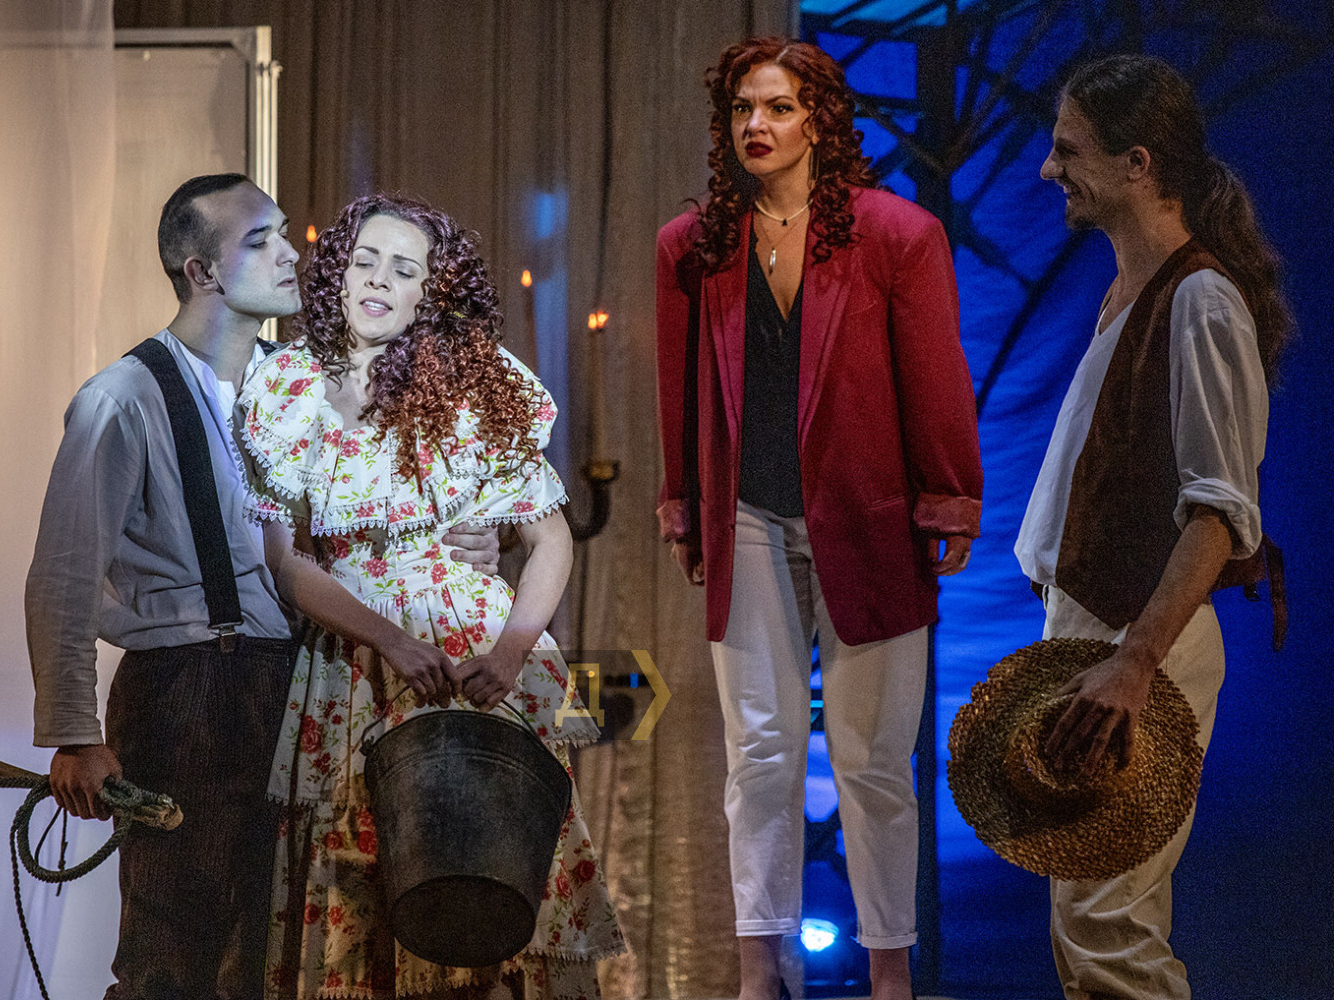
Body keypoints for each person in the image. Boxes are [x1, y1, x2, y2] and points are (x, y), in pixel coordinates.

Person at [26, 173, 498, 999]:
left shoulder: (310, 387)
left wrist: (468, 539)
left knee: (278, 958)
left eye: (284, 233)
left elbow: (375, 520)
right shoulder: (123, 398)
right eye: (261, 240)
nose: (291, 254)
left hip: (304, 685)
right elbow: (64, 577)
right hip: (186, 693)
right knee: (171, 957)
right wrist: (74, 732)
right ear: (201, 271)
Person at [653, 38, 983, 1000]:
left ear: (819, 121)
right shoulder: (694, 244)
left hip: (867, 519)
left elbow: (933, 374)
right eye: (741, 109)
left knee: (872, 761)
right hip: (747, 514)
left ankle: (890, 975)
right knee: (757, 752)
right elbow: (679, 388)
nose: (755, 125)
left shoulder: (896, 234)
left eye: (778, 107)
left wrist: (949, 496)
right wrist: (684, 508)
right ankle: (759, 972)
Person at [236, 193, 624, 999]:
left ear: (430, 292)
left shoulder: (475, 387)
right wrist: (389, 639)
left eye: (403, 269)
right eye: (364, 260)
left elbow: (550, 540)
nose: (378, 279)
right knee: (360, 868)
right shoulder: (286, 386)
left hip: (471, 653)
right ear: (339, 271)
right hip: (353, 658)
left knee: (486, 868)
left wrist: (509, 652)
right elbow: (284, 560)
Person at [1015, 54, 1289, 999]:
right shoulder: (1127, 292)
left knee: (1107, 926)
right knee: (1088, 923)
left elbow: (1219, 514)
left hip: (1139, 640)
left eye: (1068, 151)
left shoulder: (1199, 299)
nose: (1049, 169)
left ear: (1136, 163)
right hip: (1092, 629)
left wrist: (1133, 662)